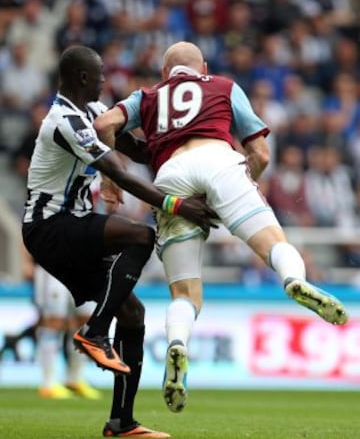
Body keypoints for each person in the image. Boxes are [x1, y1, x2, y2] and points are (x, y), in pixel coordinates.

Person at [93, 41, 349, 414]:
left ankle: (178, 344)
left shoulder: (147, 95)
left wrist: (111, 180)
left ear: (166, 74)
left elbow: (103, 124)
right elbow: (260, 153)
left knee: (185, 294)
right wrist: (244, 185)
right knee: (273, 242)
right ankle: (293, 278)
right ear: (204, 67)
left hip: (170, 175)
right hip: (219, 159)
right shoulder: (224, 86)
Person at [22, 45, 217, 438]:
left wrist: (190, 162)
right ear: (82, 78)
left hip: (71, 226)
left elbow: (138, 150)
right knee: (141, 234)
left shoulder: (93, 115)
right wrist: (176, 204)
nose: (103, 81)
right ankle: (95, 332)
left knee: (134, 315)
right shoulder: (63, 121)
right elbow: (119, 172)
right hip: (49, 226)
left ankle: (121, 423)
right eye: (99, 75)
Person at [34, 264, 101, 400]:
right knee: (54, 322)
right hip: (55, 266)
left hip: (84, 267)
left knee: (85, 323)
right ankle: (48, 384)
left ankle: (74, 379)